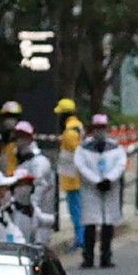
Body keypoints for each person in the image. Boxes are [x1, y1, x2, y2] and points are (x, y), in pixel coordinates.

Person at [73, 114, 127, 269]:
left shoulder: (116, 147)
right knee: (90, 223)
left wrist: (109, 179)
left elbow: (120, 164)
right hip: (91, 190)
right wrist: (96, 181)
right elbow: (81, 166)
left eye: (102, 128)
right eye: (97, 128)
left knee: (107, 223)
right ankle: (88, 257)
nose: (100, 131)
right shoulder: (83, 148)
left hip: (110, 188)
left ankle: (106, 257)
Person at [10, 124, 57, 250]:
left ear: (31, 137)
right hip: (24, 216)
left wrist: (32, 209)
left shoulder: (39, 162)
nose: (19, 139)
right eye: (18, 136)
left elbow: (37, 189)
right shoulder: (23, 160)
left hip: (38, 218)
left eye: (23, 136)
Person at [55, 98, 86, 255]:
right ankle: (81, 238)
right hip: (75, 175)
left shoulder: (69, 132)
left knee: (76, 210)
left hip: (73, 177)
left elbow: (76, 153)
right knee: (78, 209)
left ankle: (81, 239)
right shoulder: (77, 126)